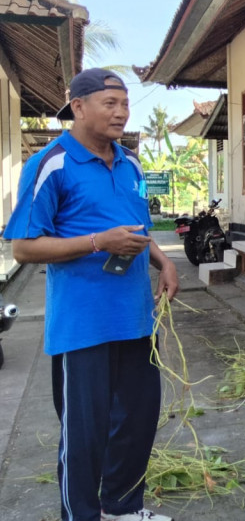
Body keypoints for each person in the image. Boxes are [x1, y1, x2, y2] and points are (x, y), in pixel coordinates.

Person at [3, 68, 179, 521]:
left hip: (136, 319)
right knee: (84, 434)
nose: (121, 113)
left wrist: (164, 261)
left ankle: (121, 507)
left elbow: (136, 227)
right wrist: (98, 242)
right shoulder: (51, 163)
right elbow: (23, 246)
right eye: (110, 103)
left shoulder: (131, 163)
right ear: (77, 106)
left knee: (137, 422)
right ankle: (80, 515)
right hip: (82, 326)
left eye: (124, 104)